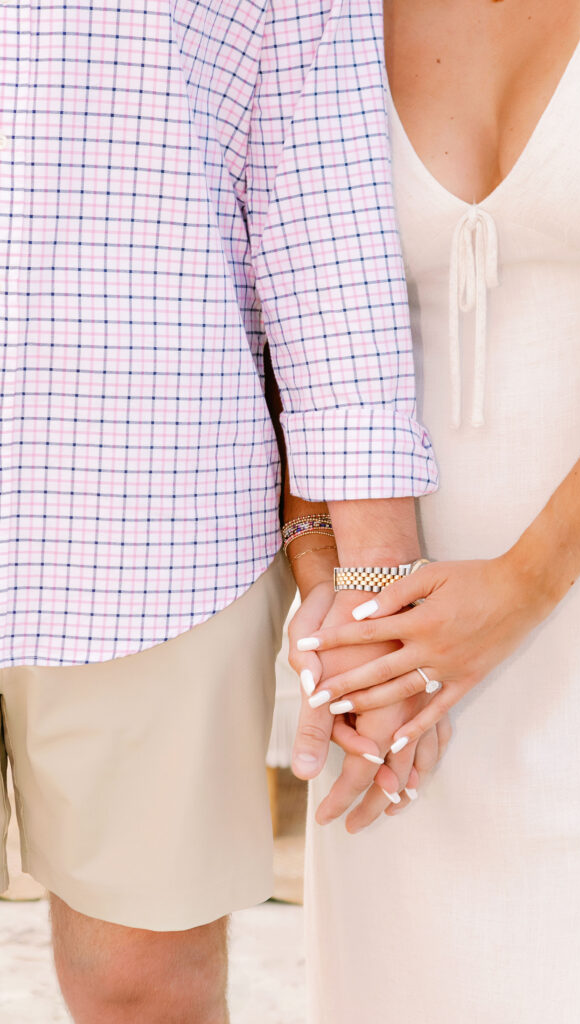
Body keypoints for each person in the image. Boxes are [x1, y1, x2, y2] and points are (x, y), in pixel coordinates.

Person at [0, 1, 439, 1020]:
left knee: (145, 993)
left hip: (152, 514)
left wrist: (376, 588)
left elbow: (315, 195)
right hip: (155, 509)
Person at [289, 0, 580, 1019]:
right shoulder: (323, 12)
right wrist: (333, 591)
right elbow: (284, 299)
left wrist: (524, 585)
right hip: (395, 669)